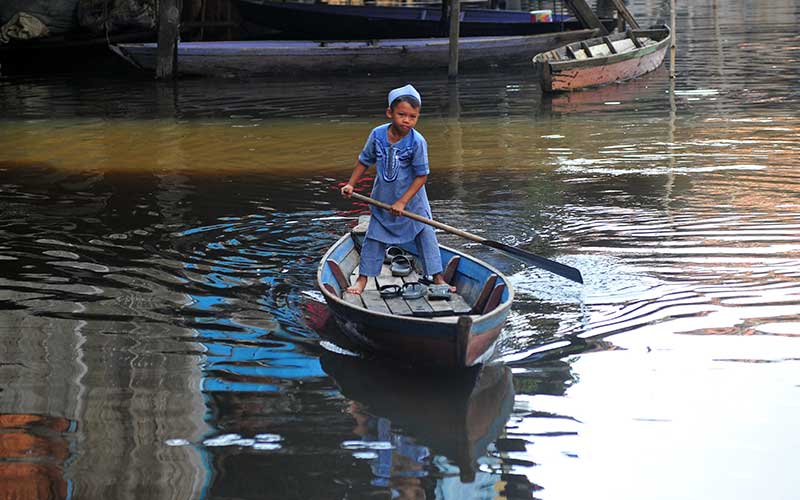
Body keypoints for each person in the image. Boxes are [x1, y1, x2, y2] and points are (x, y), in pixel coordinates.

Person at [341, 84, 454, 295]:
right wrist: (351, 184)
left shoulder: (417, 141)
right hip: (383, 199)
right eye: (402, 115)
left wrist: (402, 202)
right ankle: (363, 279)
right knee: (374, 237)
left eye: (413, 116)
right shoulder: (377, 135)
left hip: (412, 201)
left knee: (425, 234)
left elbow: (422, 176)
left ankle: (438, 278)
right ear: (389, 113)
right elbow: (364, 161)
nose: (407, 120)